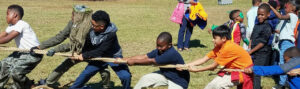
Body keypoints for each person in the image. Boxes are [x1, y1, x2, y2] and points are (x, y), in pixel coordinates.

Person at [32, 5, 113, 89]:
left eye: (74, 15)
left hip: (92, 53)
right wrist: (40, 47)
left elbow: (77, 45)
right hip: (78, 52)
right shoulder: (72, 23)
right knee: (65, 65)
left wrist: (56, 49)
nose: (72, 17)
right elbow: (60, 37)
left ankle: (106, 86)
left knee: (103, 68)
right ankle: (48, 83)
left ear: (82, 17)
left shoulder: (93, 27)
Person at [68, 10, 131, 89]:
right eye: (92, 24)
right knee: (85, 75)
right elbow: (87, 46)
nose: (92, 26)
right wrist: (78, 54)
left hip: (114, 57)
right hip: (98, 57)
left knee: (126, 76)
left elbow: (101, 50)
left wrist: (84, 55)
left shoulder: (111, 34)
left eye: (94, 25)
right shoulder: (91, 30)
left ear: (101, 26)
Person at [178, 25, 253, 89]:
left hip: (243, 72)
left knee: (219, 86)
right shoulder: (220, 46)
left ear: (223, 39)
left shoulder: (228, 48)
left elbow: (212, 66)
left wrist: (196, 70)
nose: (212, 40)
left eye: (215, 38)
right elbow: (204, 59)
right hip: (231, 70)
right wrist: (185, 66)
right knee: (210, 87)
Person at [117, 32, 190, 89]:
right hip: (166, 75)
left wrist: (134, 62)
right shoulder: (159, 50)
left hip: (179, 81)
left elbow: (151, 61)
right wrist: (123, 59)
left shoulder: (171, 54)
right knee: (144, 79)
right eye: (157, 45)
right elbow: (144, 56)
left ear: (169, 45)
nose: (158, 48)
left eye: (161, 46)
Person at [0, 4, 43, 89]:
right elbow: (2, 35)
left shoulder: (22, 24)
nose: (6, 16)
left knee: (16, 72)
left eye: (7, 14)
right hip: (22, 52)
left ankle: (29, 85)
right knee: (3, 64)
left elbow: (7, 38)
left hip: (33, 54)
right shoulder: (11, 26)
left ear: (15, 15)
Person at [269, 0, 299, 88]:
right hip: (284, 42)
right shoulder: (290, 17)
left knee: (283, 63)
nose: (285, 8)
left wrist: (271, 8)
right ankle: (286, 82)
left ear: (293, 8)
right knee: (283, 62)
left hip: (286, 42)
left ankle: (282, 84)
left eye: (287, 7)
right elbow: (283, 30)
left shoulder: (292, 15)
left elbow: (280, 16)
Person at [248, 3, 273, 89]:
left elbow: (262, 43)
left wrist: (251, 51)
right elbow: (252, 36)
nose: (259, 17)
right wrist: (249, 47)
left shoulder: (267, 27)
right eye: (258, 14)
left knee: (256, 72)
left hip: (262, 53)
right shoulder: (257, 25)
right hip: (253, 52)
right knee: (250, 71)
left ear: (268, 14)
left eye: (262, 15)